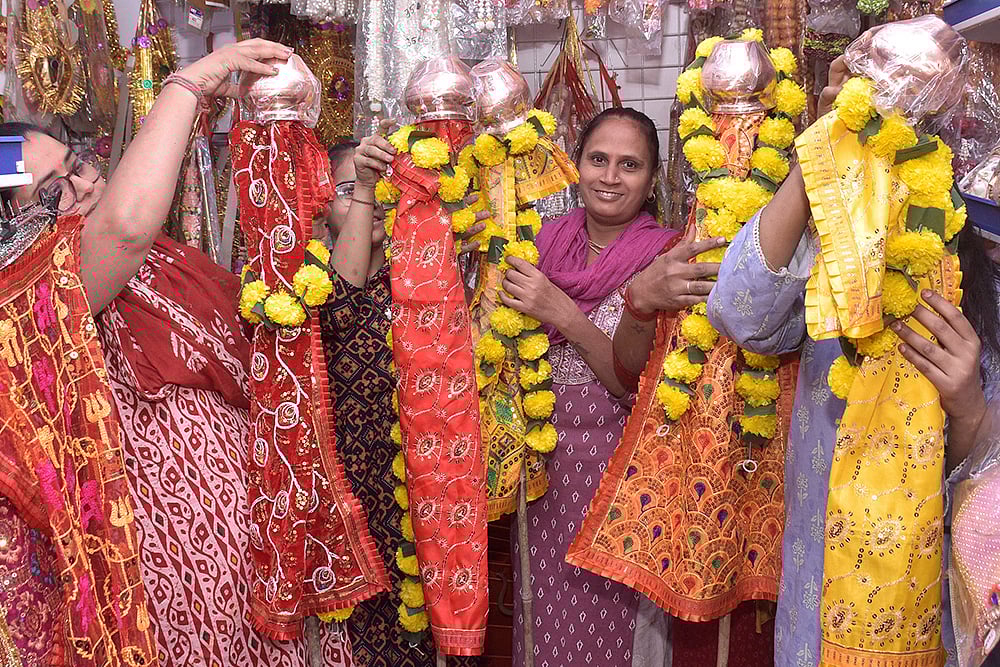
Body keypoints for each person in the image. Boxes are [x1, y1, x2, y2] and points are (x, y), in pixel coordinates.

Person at [0, 39, 350, 665]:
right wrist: (188, 83)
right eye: (52, 191)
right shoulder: (35, 298)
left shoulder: (155, 260)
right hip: (166, 570)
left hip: (254, 537)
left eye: (77, 166)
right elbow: (125, 226)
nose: (83, 188)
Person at [706, 57, 1000, 667]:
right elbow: (739, 313)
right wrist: (816, 153)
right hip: (816, 604)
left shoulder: (980, 269)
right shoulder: (833, 245)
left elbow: (985, 487)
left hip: (931, 614)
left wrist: (969, 407)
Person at [500, 107, 722, 666]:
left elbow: (637, 386)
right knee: (545, 624)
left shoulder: (667, 259)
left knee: (617, 633)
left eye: (630, 165)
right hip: (544, 477)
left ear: (651, 180)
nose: (610, 177)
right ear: (576, 165)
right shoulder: (540, 245)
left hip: (626, 479)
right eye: (598, 159)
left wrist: (562, 312)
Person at [315, 127, 485, 666]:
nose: (367, 200)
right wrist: (366, 186)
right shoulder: (314, 283)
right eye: (346, 191)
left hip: (425, 477)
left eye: (381, 188)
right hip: (355, 485)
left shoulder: (417, 279)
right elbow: (345, 296)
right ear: (323, 208)